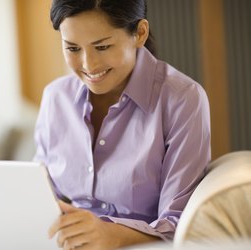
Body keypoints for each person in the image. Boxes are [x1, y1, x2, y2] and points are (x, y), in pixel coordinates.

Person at [33, 0, 211, 249]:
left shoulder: (182, 99)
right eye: (73, 49)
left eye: (102, 46)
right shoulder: (55, 98)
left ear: (140, 33)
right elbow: (38, 193)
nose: (89, 64)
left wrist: (110, 235)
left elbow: (179, 226)